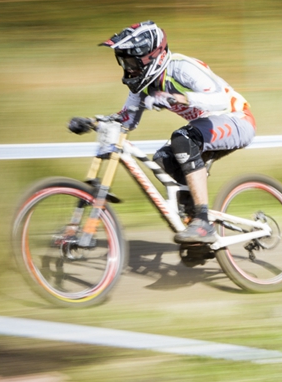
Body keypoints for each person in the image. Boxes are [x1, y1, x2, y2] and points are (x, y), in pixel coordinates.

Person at [71, 21, 256, 244]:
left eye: (131, 62)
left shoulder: (181, 67)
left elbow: (220, 99)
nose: (128, 69)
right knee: (162, 159)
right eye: (123, 62)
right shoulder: (144, 85)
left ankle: (203, 223)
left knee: (183, 139)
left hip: (238, 119)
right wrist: (92, 123)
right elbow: (126, 120)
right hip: (206, 129)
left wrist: (180, 98)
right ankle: (196, 228)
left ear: (152, 57)